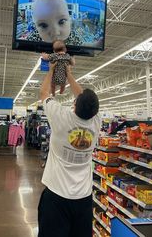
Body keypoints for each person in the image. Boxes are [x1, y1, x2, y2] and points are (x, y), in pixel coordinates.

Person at [38, 64, 100, 237]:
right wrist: (69, 74)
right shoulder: (97, 122)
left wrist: (52, 70)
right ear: (96, 111)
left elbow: (43, 94)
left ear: (75, 104)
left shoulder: (61, 117)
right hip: (84, 199)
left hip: (56, 197)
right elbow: (83, 98)